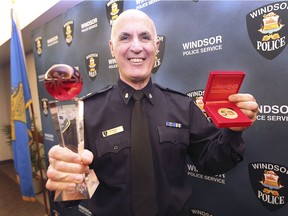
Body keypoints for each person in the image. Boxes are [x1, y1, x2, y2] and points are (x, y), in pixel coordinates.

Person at [46, 9, 259, 216]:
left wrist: (233, 130)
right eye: (125, 38)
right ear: (112, 48)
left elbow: (213, 163)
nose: (136, 47)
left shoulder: (182, 106)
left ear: (156, 46)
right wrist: (64, 181)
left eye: (145, 37)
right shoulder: (86, 112)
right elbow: (73, 193)